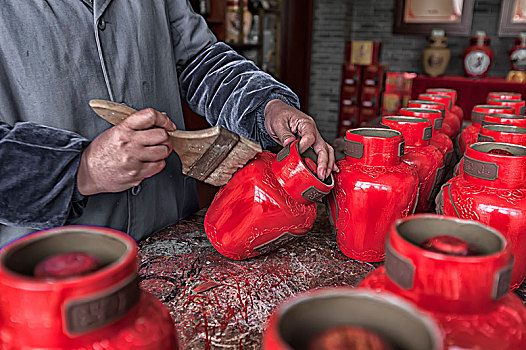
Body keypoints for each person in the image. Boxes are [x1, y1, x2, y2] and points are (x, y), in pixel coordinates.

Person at [0, 0, 336, 247]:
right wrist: (83, 168)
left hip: (170, 237)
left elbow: (200, 61)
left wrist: (267, 106)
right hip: (51, 263)